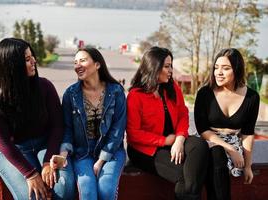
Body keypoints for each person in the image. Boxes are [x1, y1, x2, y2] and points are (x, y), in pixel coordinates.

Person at [0, 38, 75, 200]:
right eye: (27, 59)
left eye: (32, 56)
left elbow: (57, 126)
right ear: (11, 64)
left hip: (46, 144)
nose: (34, 61)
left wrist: (47, 162)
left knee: (63, 187)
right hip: (13, 150)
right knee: (33, 196)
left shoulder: (44, 86)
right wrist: (30, 174)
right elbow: (2, 142)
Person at [126, 46, 209, 200]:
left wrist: (179, 139)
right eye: (166, 66)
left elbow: (183, 115)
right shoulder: (135, 95)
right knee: (186, 175)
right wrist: (164, 140)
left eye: (171, 65)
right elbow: (133, 134)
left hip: (174, 140)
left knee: (199, 145)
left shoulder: (173, 88)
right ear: (153, 67)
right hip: (145, 150)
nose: (171, 70)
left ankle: (190, 191)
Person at [51, 47, 126, 200]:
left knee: (106, 188)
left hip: (111, 152)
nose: (77, 65)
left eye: (83, 60)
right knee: (87, 190)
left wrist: (100, 161)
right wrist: (63, 154)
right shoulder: (70, 95)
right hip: (83, 152)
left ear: (97, 65)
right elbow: (68, 129)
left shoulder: (117, 92)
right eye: (75, 62)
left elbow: (118, 131)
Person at [194, 48, 260, 200]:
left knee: (218, 163)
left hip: (234, 141)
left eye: (226, 68)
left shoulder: (251, 97)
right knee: (217, 154)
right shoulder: (204, 93)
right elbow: (202, 129)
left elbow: (248, 133)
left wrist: (248, 165)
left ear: (237, 69)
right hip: (209, 140)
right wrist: (230, 149)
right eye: (216, 68)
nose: (219, 72)